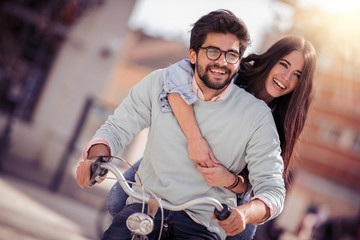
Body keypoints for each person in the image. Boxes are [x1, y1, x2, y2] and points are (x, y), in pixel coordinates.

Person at [76, 9, 286, 240]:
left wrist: (245, 213)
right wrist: (96, 157)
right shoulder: (159, 83)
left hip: (203, 223)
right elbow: (117, 128)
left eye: (231, 55)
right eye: (213, 51)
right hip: (146, 207)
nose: (222, 62)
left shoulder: (256, 115)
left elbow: (272, 188)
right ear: (193, 55)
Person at [106, 36, 317, 240]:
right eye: (284, 65)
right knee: (117, 199)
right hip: (181, 151)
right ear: (272, 59)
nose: (286, 77)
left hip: (221, 180)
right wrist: (195, 139)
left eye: (297, 75)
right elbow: (176, 78)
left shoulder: (277, 121)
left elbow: (254, 181)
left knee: (243, 235)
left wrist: (230, 181)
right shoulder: (234, 72)